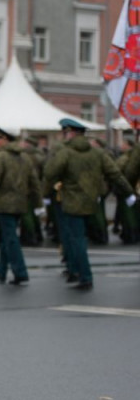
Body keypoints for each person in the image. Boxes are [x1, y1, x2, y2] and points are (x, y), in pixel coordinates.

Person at [44, 118, 135, 290]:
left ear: (70, 133)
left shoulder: (66, 152)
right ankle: (75, 271)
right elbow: (115, 174)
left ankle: (83, 275)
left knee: (74, 239)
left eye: (65, 133)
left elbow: (50, 172)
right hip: (92, 201)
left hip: (70, 202)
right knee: (80, 238)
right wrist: (128, 192)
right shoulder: (97, 153)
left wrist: (45, 194)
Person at [0, 127, 42, 285]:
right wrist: (38, 203)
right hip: (21, 203)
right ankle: (1, 271)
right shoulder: (25, 157)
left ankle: (20, 272)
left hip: (4, 202)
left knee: (10, 239)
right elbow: (34, 182)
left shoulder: (0, 157)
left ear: (6, 140)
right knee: (7, 237)